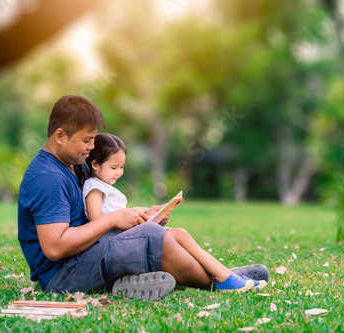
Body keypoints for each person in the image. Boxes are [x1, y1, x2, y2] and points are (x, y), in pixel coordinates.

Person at [17, 95, 269, 301]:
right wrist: (115, 219)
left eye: (93, 139)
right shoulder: (47, 177)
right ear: (60, 136)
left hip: (85, 254)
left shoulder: (76, 163)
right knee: (151, 236)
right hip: (62, 276)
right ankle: (217, 280)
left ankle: (221, 274)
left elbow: (101, 210)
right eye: (86, 140)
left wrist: (143, 214)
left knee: (157, 230)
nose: (92, 147)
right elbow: (54, 247)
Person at [82, 133, 268, 293]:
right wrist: (122, 219)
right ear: (96, 165)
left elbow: (117, 212)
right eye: (114, 168)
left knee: (180, 233)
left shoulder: (105, 185)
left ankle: (226, 275)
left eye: (122, 167)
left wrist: (147, 213)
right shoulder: (94, 187)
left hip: (122, 239)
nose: (119, 172)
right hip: (112, 246)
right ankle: (225, 278)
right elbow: (96, 220)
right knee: (178, 234)